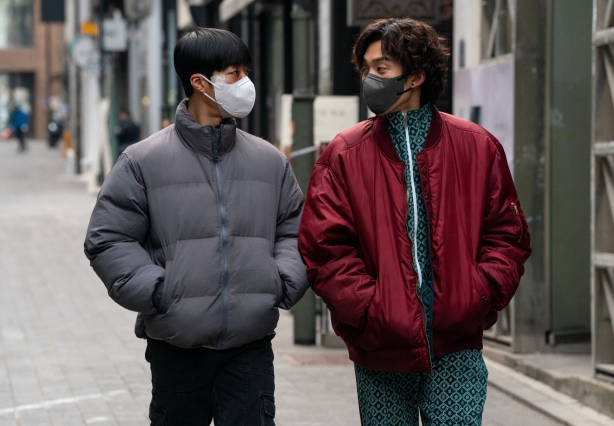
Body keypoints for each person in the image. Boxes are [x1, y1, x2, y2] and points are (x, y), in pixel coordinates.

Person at [298, 18, 532, 426]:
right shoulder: (344, 154)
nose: (371, 78)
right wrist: (370, 309)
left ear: (417, 76)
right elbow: (324, 247)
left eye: (383, 68)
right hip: (380, 347)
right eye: (367, 68)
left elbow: (507, 236)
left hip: (456, 346)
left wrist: (477, 293)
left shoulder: (477, 146)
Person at [84, 28, 309, 426]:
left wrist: (280, 281)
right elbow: (109, 238)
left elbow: (295, 228)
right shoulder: (142, 161)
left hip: (250, 345)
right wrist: (160, 291)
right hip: (176, 346)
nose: (245, 83)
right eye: (234, 74)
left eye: (246, 72)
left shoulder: (269, 161)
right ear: (200, 83)